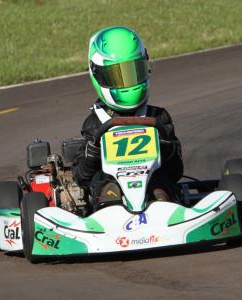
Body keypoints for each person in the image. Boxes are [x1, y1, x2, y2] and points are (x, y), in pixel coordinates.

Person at [72, 26, 183, 210]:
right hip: (110, 195)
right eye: (117, 76)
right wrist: (91, 156)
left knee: (160, 180)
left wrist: (168, 149)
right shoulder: (95, 123)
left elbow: (176, 172)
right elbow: (82, 177)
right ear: (97, 75)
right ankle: (110, 208)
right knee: (104, 181)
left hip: (153, 185)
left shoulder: (157, 117)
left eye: (133, 72)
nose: (127, 84)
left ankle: (162, 207)